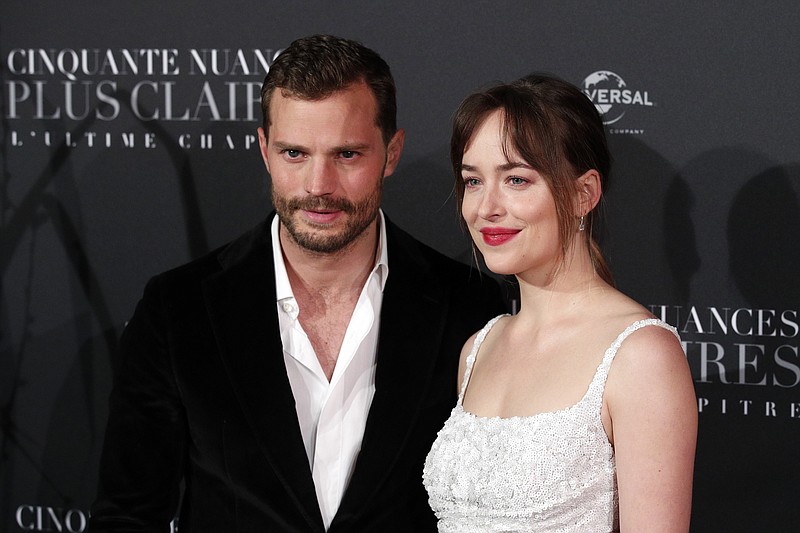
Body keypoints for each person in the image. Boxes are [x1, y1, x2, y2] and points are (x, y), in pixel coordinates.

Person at [89, 34, 505, 533]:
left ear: (391, 153)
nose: (318, 185)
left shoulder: (470, 306)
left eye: (347, 155)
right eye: (294, 154)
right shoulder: (178, 310)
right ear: (264, 150)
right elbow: (129, 515)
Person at [423, 74, 697, 532]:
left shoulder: (640, 356)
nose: (486, 206)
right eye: (473, 181)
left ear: (583, 193)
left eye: (516, 179)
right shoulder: (478, 349)